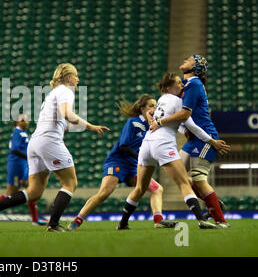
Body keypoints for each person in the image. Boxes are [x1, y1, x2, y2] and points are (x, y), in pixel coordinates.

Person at [0, 63, 110, 232]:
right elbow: (67, 114)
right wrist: (91, 126)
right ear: (68, 78)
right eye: (76, 76)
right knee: (70, 183)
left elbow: (63, 123)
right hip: (49, 141)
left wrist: (82, 126)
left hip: (35, 143)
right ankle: (53, 224)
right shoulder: (66, 91)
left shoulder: (52, 94)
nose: (78, 79)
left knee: (34, 192)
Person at [118, 72, 230, 230]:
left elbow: (173, 122)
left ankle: (122, 223)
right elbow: (193, 126)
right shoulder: (179, 102)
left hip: (147, 144)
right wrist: (212, 141)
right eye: (178, 82)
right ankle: (202, 220)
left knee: (140, 188)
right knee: (184, 183)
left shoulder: (161, 100)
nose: (182, 85)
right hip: (163, 143)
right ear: (169, 87)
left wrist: (182, 128)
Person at [68, 94, 178, 230]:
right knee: (105, 193)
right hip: (117, 162)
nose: (154, 108)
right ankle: (76, 222)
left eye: (156, 106)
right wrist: (140, 156)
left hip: (133, 166)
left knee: (157, 189)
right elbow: (123, 146)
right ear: (142, 108)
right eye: (151, 105)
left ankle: (158, 220)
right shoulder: (133, 122)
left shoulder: (153, 126)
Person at [149, 55, 231, 228]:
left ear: (196, 68)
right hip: (193, 138)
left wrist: (160, 121)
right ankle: (213, 203)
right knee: (178, 175)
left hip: (205, 137)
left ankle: (220, 220)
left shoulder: (193, 83)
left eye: (190, 59)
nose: (185, 60)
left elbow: (185, 115)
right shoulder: (185, 84)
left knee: (198, 178)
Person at [0, 114, 47, 226]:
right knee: (10, 192)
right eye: (22, 120)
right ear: (16, 123)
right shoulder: (17, 132)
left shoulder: (23, 133)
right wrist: (29, 156)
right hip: (16, 166)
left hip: (23, 166)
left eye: (26, 120)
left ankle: (35, 219)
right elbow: (14, 150)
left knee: (31, 190)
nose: (25, 122)